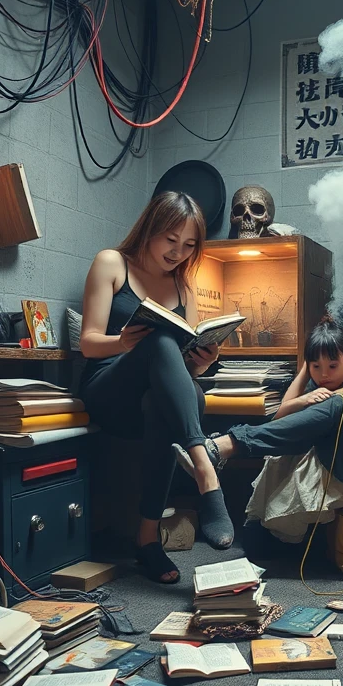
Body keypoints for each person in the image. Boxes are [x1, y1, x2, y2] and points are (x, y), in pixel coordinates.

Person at [79, 191, 232, 584]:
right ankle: (205, 471)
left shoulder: (184, 288)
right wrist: (124, 342)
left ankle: (147, 540)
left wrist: (202, 363)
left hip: (152, 399)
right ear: (151, 228)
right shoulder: (112, 263)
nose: (178, 252)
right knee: (160, 340)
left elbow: (178, 370)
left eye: (189, 245)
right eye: (170, 240)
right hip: (109, 386)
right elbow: (88, 341)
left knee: (183, 393)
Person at [179, 315, 343, 515]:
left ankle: (225, 445)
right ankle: (220, 448)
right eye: (316, 367)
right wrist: (305, 377)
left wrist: (320, 395)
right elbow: (283, 414)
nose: (324, 375)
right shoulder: (314, 385)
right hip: (324, 465)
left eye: (332, 366)